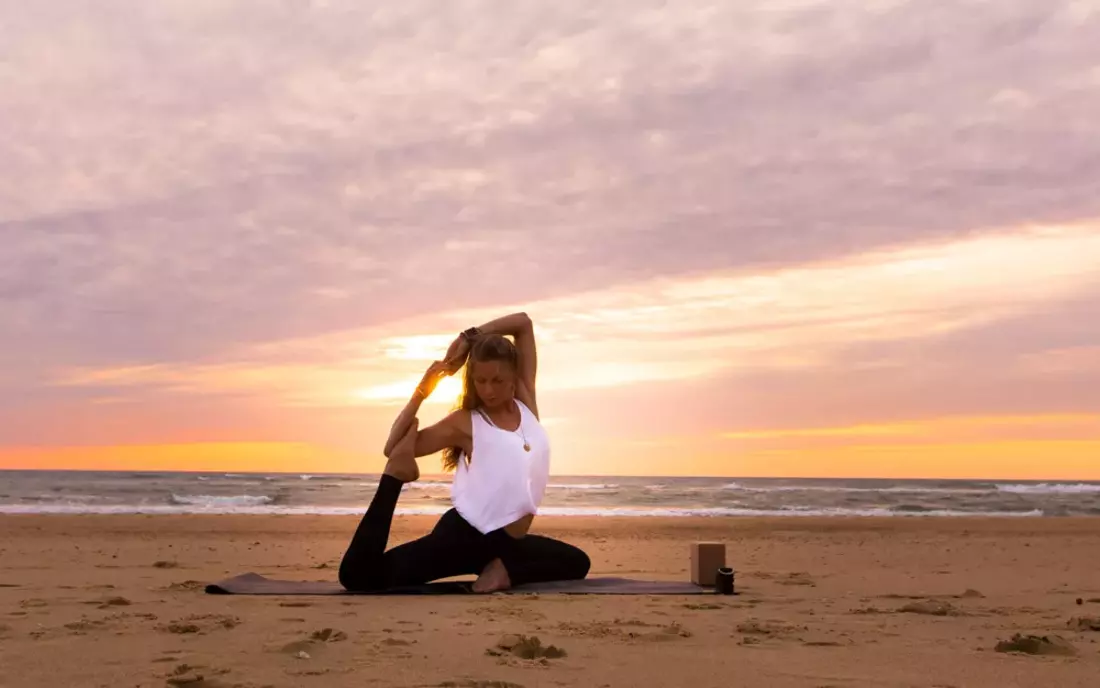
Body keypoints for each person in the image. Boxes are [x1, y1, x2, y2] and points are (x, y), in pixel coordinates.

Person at [338, 312, 591, 593]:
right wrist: (422, 391)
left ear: (513, 377)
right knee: (358, 577)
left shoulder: (525, 401)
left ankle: (502, 568)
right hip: (464, 538)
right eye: (480, 380)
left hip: (508, 545)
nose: (488, 390)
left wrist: (467, 338)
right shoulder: (466, 421)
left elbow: (523, 323)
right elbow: (393, 447)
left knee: (577, 562)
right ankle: (395, 478)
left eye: (496, 380)